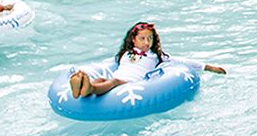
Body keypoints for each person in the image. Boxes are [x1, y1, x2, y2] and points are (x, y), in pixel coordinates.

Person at [68, 20, 225, 99]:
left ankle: (90, 89)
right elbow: (110, 65)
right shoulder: (126, 53)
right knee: (103, 78)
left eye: (150, 38)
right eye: (142, 39)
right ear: (133, 40)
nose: (146, 42)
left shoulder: (156, 56)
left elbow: (182, 61)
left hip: (131, 84)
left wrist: (209, 67)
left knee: (113, 82)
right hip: (117, 78)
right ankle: (84, 88)